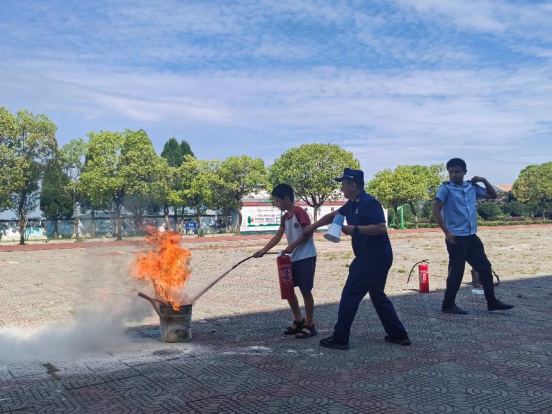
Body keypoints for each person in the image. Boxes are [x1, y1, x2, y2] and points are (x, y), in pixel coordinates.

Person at [303, 168, 410, 350]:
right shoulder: (352, 204)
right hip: (373, 256)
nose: (341, 188)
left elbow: (381, 228)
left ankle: (340, 338)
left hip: (372, 257)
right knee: (377, 295)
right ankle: (398, 335)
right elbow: (333, 216)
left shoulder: (369, 203)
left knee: (349, 296)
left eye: (343, 184)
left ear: (353, 185)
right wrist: (313, 227)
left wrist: (356, 229)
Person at [433, 158, 514, 315]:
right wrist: (446, 232)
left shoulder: (471, 187)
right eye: (451, 172)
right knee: (456, 272)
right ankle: (448, 305)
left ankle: (492, 302)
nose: (454, 175)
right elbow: (436, 210)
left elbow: (493, 195)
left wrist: (483, 180)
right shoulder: (445, 189)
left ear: (465, 172)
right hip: (456, 238)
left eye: (457, 171)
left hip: (471, 236)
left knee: (485, 268)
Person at [254, 184, 318, 339]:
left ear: (287, 199)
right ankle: (298, 319)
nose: (277, 204)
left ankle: (310, 325)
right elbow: (278, 236)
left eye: (277, 201)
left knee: (305, 290)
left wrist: (292, 246)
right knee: (288, 289)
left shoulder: (300, 213)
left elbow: (307, 233)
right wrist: (264, 250)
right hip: (292, 258)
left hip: (306, 256)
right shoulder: (285, 218)